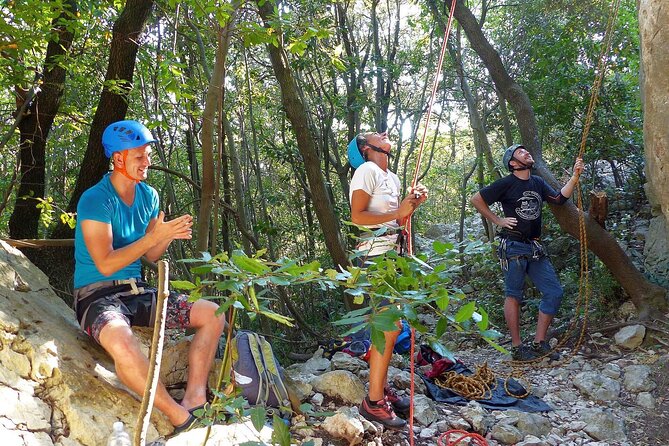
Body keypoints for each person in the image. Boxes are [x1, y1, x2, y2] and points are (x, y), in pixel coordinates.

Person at [73, 120, 226, 434]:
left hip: (136, 291)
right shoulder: (95, 199)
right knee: (122, 342)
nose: (147, 162)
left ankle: (195, 398)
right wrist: (154, 236)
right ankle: (177, 416)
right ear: (118, 159)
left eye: (147, 155)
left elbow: (150, 256)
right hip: (96, 295)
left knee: (212, 314)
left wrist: (166, 236)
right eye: (139, 156)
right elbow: (104, 263)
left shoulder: (149, 196)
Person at [470, 144, 584, 361]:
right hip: (513, 246)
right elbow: (477, 199)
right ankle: (517, 347)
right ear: (513, 164)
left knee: (554, 292)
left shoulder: (537, 182)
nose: (527, 153)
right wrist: (498, 220)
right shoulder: (506, 183)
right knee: (514, 294)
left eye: (526, 151)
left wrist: (575, 177)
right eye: (521, 153)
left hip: (534, 246)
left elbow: (559, 199)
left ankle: (539, 342)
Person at [347, 131, 428, 429]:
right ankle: (373, 401)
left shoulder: (390, 177)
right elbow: (357, 217)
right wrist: (398, 211)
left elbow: (396, 219)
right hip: (374, 256)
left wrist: (412, 205)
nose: (382, 133)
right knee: (388, 326)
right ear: (367, 149)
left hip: (391, 256)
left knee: (392, 328)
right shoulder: (366, 171)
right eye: (374, 135)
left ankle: (378, 392)